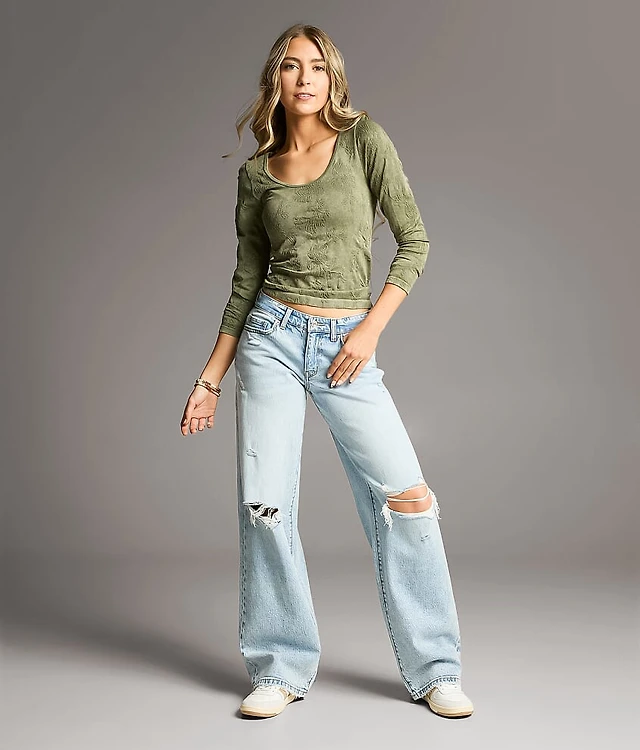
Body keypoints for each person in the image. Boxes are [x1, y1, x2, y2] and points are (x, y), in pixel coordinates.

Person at [180, 23, 474, 720]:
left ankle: (436, 669)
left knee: (407, 498)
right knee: (264, 507)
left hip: (347, 343)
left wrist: (368, 330)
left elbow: (415, 241)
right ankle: (278, 667)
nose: (305, 77)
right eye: (291, 66)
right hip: (271, 340)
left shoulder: (365, 140)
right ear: (275, 81)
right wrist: (209, 379)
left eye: (317, 66)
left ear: (333, 77)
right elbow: (244, 283)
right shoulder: (257, 174)